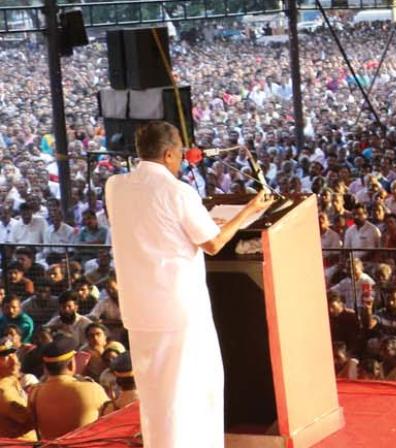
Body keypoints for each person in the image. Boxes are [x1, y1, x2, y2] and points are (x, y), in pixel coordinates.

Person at [105, 121, 273, 447]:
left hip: (139, 309)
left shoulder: (115, 186)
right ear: (169, 153)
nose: (181, 161)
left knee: (156, 393)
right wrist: (250, 210)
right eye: (179, 155)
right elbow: (212, 242)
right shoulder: (178, 192)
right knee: (192, 390)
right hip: (178, 309)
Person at [28, 334, 110, 439]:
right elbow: (111, 419)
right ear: (71, 364)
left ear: (45, 368)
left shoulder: (34, 393)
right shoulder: (92, 389)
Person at [0, 336, 36, 441]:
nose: (14, 360)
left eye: (13, 353)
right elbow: (32, 421)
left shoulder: (10, 379)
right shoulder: (4, 392)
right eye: (4, 357)